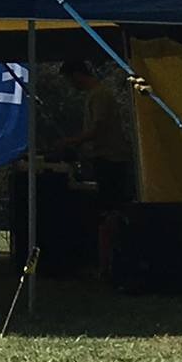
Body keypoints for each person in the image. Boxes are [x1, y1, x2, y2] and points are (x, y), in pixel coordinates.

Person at [57, 59, 132, 276]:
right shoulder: (96, 95)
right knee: (108, 210)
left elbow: (96, 129)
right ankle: (107, 262)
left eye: (70, 80)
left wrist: (71, 142)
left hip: (111, 159)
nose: (71, 86)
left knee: (109, 211)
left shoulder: (100, 95)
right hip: (104, 158)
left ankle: (107, 263)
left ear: (78, 75)